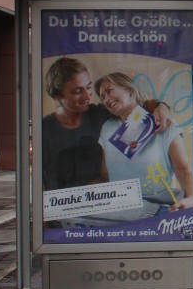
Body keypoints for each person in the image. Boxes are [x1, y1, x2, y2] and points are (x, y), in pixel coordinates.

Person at [41, 57, 173, 192]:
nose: (87, 96)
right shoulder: (43, 130)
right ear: (58, 97)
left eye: (88, 87)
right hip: (61, 207)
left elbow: (139, 106)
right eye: (78, 91)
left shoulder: (99, 114)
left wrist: (161, 106)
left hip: (104, 201)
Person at [95, 72, 193, 217]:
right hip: (120, 213)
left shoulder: (162, 122)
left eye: (109, 91)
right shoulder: (107, 127)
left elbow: (182, 168)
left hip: (158, 213)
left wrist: (191, 198)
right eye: (102, 96)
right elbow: (106, 173)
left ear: (128, 89)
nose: (106, 99)